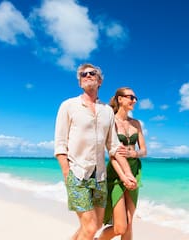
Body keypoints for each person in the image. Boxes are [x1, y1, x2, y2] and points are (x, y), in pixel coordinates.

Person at [54, 64, 137, 240]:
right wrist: (66, 172)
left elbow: (114, 147)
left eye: (92, 73)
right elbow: (60, 144)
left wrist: (127, 174)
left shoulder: (107, 111)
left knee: (95, 225)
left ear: (99, 81)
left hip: (100, 177)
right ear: (80, 82)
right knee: (90, 227)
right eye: (83, 74)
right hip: (77, 174)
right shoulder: (68, 106)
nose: (87, 76)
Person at [99, 87, 147, 240]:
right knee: (120, 226)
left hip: (134, 171)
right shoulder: (110, 122)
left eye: (135, 98)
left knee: (129, 223)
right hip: (116, 173)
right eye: (130, 97)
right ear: (120, 99)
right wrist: (123, 177)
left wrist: (135, 153)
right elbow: (112, 154)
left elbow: (144, 150)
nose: (134, 100)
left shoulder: (136, 123)